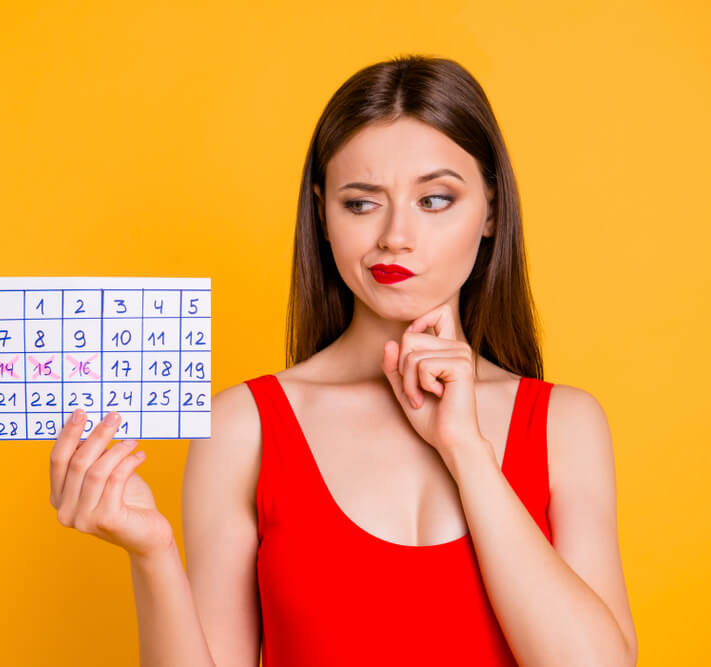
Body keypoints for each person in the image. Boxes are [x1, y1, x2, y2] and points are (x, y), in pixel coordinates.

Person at [48, 55, 638, 666]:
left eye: (435, 199)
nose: (396, 236)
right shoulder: (243, 426)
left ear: (490, 210)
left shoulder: (565, 424)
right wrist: (152, 554)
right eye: (361, 204)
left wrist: (466, 450)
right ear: (323, 215)